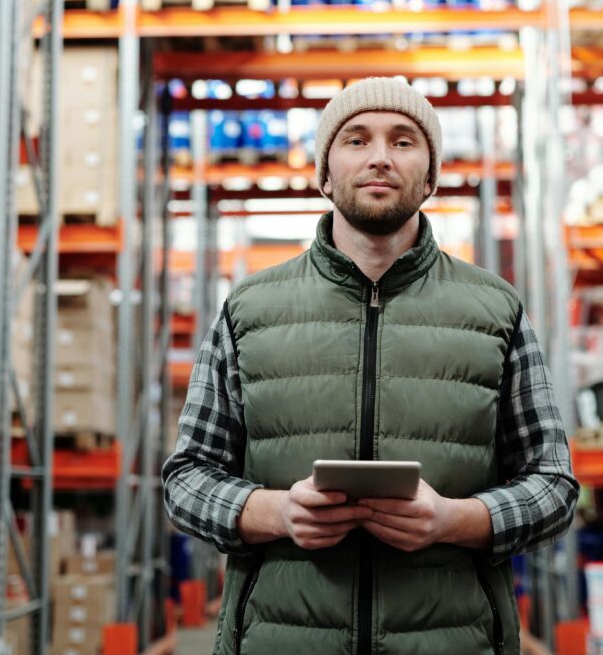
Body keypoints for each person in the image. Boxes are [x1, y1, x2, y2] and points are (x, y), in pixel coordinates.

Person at [162, 77, 579, 655]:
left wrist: (453, 520)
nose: (380, 157)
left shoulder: (496, 310)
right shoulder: (248, 311)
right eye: (356, 140)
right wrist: (278, 513)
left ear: (430, 177)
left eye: (404, 141)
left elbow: (554, 485)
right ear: (325, 173)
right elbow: (186, 480)